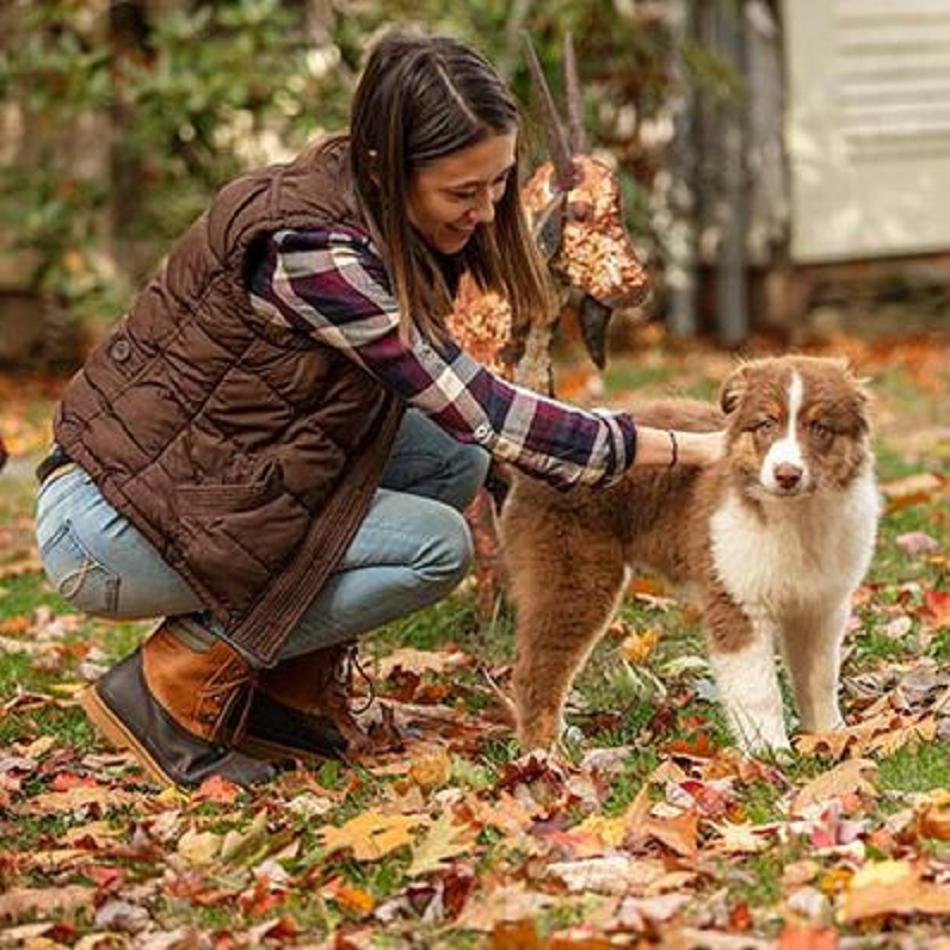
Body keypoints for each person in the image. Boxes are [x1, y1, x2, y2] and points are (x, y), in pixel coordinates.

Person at [34, 29, 724, 789]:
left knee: (449, 459)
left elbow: (465, 429)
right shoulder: (313, 251)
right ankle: (173, 682)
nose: (487, 209)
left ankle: (278, 690)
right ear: (386, 167)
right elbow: (485, 408)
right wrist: (685, 447)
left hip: (206, 482)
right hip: (108, 529)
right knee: (434, 546)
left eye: (498, 183)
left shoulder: (378, 212)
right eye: (464, 192)